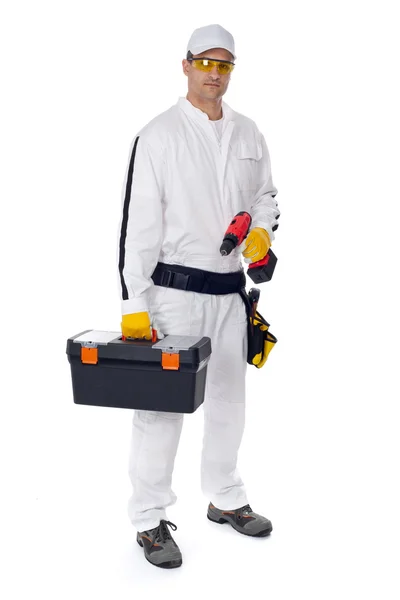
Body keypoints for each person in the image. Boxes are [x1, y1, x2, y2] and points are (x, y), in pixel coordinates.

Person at [117, 23, 280, 569]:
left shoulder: (250, 133)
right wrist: (133, 304)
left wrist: (261, 232)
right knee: (161, 413)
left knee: (230, 403)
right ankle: (149, 519)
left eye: (224, 64)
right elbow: (136, 227)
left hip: (232, 293)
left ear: (231, 71)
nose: (214, 72)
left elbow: (266, 197)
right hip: (173, 296)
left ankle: (225, 496)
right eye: (204, 62)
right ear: (184, 65)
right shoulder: (158, 135)